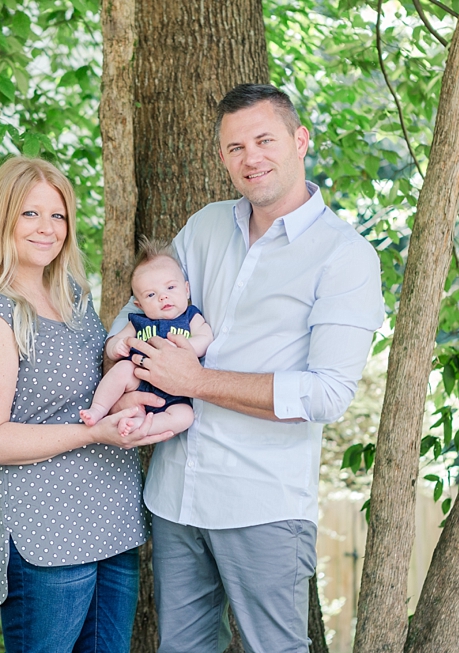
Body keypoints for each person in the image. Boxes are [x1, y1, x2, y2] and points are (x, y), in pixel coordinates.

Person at [110, 84, 385, 653]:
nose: (251, 157)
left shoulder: (346, 256)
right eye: (235, 147)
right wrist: (122, 350)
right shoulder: (207, 226)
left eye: (264, 140)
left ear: (300, 140)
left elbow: (328, 394)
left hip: (261, 502)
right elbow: (138, 307)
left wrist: (197, 382)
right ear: (222, 157)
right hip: (174, 496)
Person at [0, 156, 174, 653]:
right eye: (30, 214)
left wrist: (124, 375)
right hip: (46, 533)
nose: (47, 228)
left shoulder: (71, 293)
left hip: (112, 520)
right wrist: (94, 432)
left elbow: (77, 389)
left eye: (58, 216)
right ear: (3, 218)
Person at [80, 238, 213, 436]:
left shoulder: (190, 317)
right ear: (139, 305)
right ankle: (98, 409)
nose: (163, 297)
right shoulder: (138, 321)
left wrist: (185, 347)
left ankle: (143, 425)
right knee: (123, 369)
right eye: (151, 295)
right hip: (140, 380)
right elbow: (115, 341)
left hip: (176, 393)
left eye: (170, 288)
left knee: (185, 416)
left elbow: (205, 336)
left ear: (186, 290)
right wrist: (117, 346)